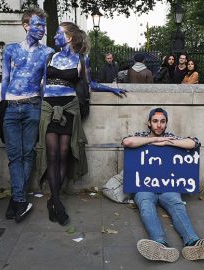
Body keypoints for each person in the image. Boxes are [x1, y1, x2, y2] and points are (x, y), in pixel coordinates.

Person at [38, 22, 127, 226]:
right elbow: (42, 83)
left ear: (68, 38)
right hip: (49, 108)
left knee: (63, 154)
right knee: (52, 155)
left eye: (58, 33)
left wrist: (111, 89)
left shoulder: (81, 59)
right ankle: (58, 203)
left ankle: (53, 200)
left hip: (69, 107)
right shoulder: (50, 57)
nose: (54, 37)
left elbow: (90, 84)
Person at [122, 108, 204, 262]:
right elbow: (127, 142)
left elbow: (194, 142)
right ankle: (159, 244)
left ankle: (193, 242)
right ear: (149, 123)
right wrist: (155, 140)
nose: (159, 125)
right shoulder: (141, 136)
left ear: (166, 124)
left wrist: (169, 142)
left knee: (177, 205)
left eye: (162, 122)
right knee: (146, 205)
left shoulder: (171, 137)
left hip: (168, 186)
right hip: (144, 186)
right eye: (155, 121)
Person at [1, 8, 54, 223]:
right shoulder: (11, 49)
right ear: (26, 25)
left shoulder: (47, 52)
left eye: (43, 26)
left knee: (28, 153)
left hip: (33, 105)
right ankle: (19, 198)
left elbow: (45, 85)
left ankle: (17, 200)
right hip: (11, 107)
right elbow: (4, 79)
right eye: (37, 25)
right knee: (15, 155)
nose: (41, 29)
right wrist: (2, 105)